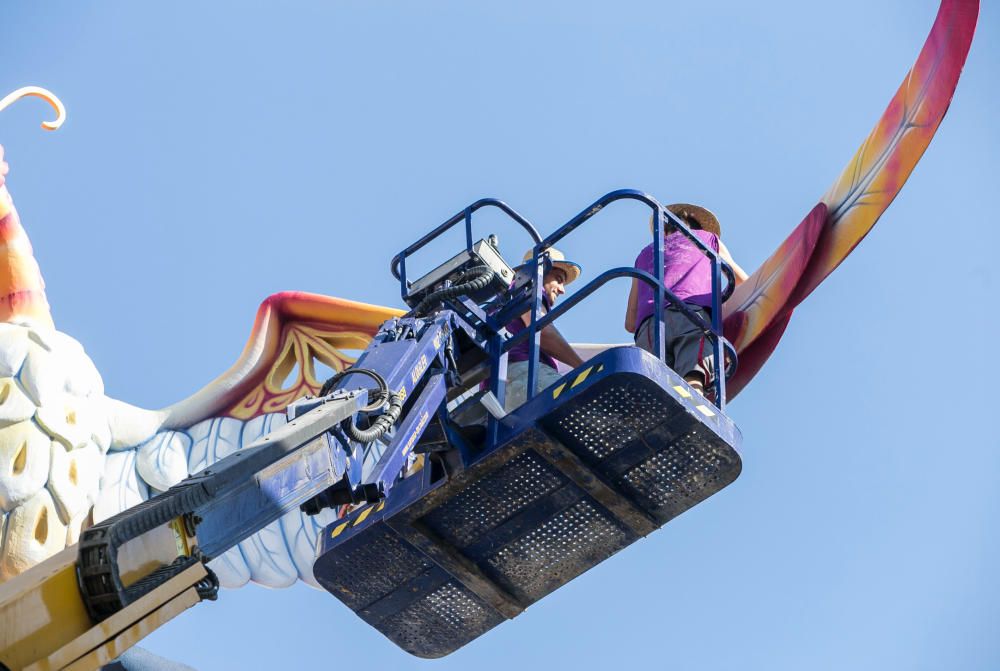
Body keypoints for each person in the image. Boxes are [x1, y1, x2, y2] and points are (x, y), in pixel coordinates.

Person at [625, 203, 747, 394]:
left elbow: (630, 323)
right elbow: (742, 281)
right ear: (697, 227)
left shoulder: (643, 256)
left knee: (656, 388)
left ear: (663, 231)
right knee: (693, 377)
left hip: (649, 328)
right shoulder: (708, 240)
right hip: (691, 315)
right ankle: (694, 410)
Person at [504, 248, 585, 410]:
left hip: (501, 387)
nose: (562, 290)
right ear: (540, 270)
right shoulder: (528, 285)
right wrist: (583, 367)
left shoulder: (508, 297)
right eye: (558, 279)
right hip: (525, 374)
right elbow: (543, 331)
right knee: (584, 410)